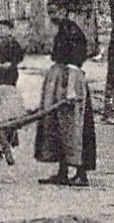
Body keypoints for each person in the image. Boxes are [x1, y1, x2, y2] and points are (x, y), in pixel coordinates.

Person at [35, 14, 97, 187]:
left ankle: (81, 173)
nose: (51, 13)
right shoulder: (62, 29)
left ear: (64, 10)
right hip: (60, 79)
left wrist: (69, 88)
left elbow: (75, 60)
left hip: (71, 81)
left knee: (75, 127)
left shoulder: (73, 32)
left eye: (55, 9)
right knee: (56, 125)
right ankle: (63, 172)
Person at [0, 18, 25, 86]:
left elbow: (19, 56)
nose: (1, 31)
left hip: (10, 72)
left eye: (4, 29)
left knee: (10, 89)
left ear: (9, 30)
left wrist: (11, 63)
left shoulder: (13, 44)